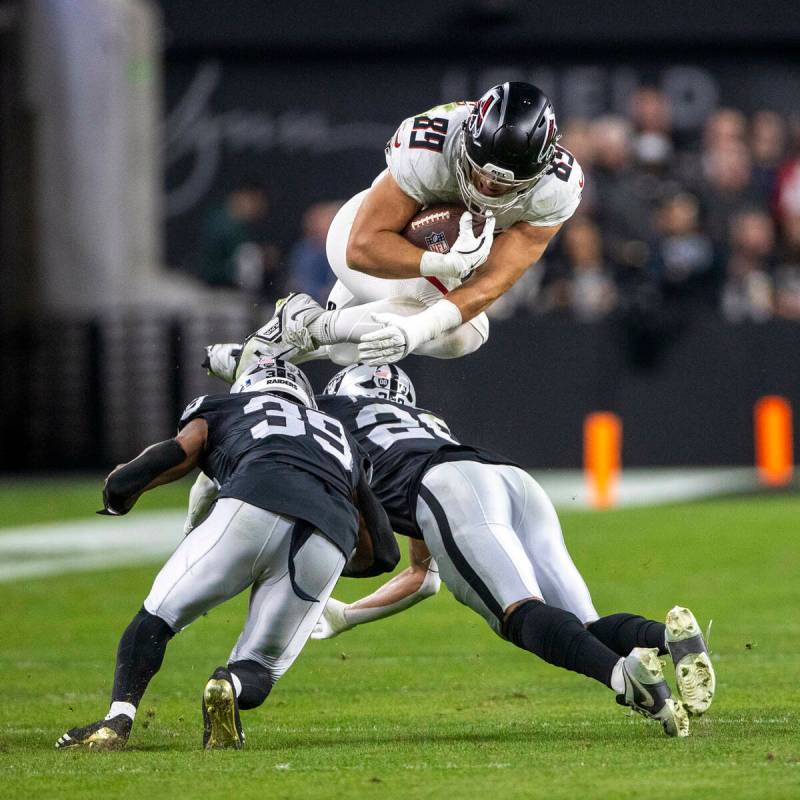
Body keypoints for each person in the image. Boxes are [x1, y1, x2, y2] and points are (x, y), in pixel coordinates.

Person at [309, 364, 715, 737]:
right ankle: (669, 639)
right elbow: (423, 576)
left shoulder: (329, 418)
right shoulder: (425, 422)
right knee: (582, 624)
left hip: (446, 487)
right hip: (511, 479)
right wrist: (347, 616)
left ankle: (627, 681)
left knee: (518, 614)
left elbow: (405, 562)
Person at [55, 358, 399, 751]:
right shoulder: (341, 436)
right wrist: (332, 559)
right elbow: (383, 551)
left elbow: (177, 452)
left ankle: (117, 721)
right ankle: (227, 684)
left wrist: (121, 490)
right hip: (329, 532)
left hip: (251, 502)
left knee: (157, 616)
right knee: (261, 666)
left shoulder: (226, 407)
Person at [204, 81, 584, 379]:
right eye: (479, 171)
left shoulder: (556, 189)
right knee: (470, 330)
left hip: (436, 268)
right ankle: (305, 326)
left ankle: (290, 336)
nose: (486, 188)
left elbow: (492, 282)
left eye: (503, 185)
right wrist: (446, 265)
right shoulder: (431, 146)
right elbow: (362, 247)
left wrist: (419, 329)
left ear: (538, 173)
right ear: (467, 139)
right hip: (369, 240)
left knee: (350, 351)